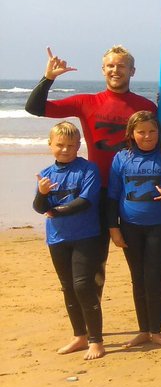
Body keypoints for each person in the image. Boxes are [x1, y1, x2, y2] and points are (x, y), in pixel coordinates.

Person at [25, 46, 157, 298]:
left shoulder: (146, 107)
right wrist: (48, 78)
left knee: (141, 267)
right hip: (97, 193)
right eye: (110, 65)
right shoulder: (87, 102)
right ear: (103, 69)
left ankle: (149, 325)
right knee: (95, 265)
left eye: (121, 66)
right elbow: (34, 108)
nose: (115, 70)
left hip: (134, 194)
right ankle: (93, 327)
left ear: (132, 71)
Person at [107, 111, 161, 349]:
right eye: (141, 131)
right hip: (130, 228)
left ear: (159, 133)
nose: (147, 136)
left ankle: (155, 331)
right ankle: (143, 330)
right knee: (137, 280)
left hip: (159, 229)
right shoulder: (121, 158)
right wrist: (114, 228)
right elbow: (112, 196)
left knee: (154, 279)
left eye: (152, 131)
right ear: (132, 134)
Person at [35, 122, 105, 360]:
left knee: (83, 286)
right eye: (60, 145)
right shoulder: (45, 174)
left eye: (70, 145)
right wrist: (41, 193)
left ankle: (96, 340)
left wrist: (57, 210)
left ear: (79, 146)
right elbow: (39, 208)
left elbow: (85, 201)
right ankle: (79, 336)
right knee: (67, 288)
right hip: (57, 238)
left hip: (86, 237)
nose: (65, 150)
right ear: (50, 145)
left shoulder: (88, 170)